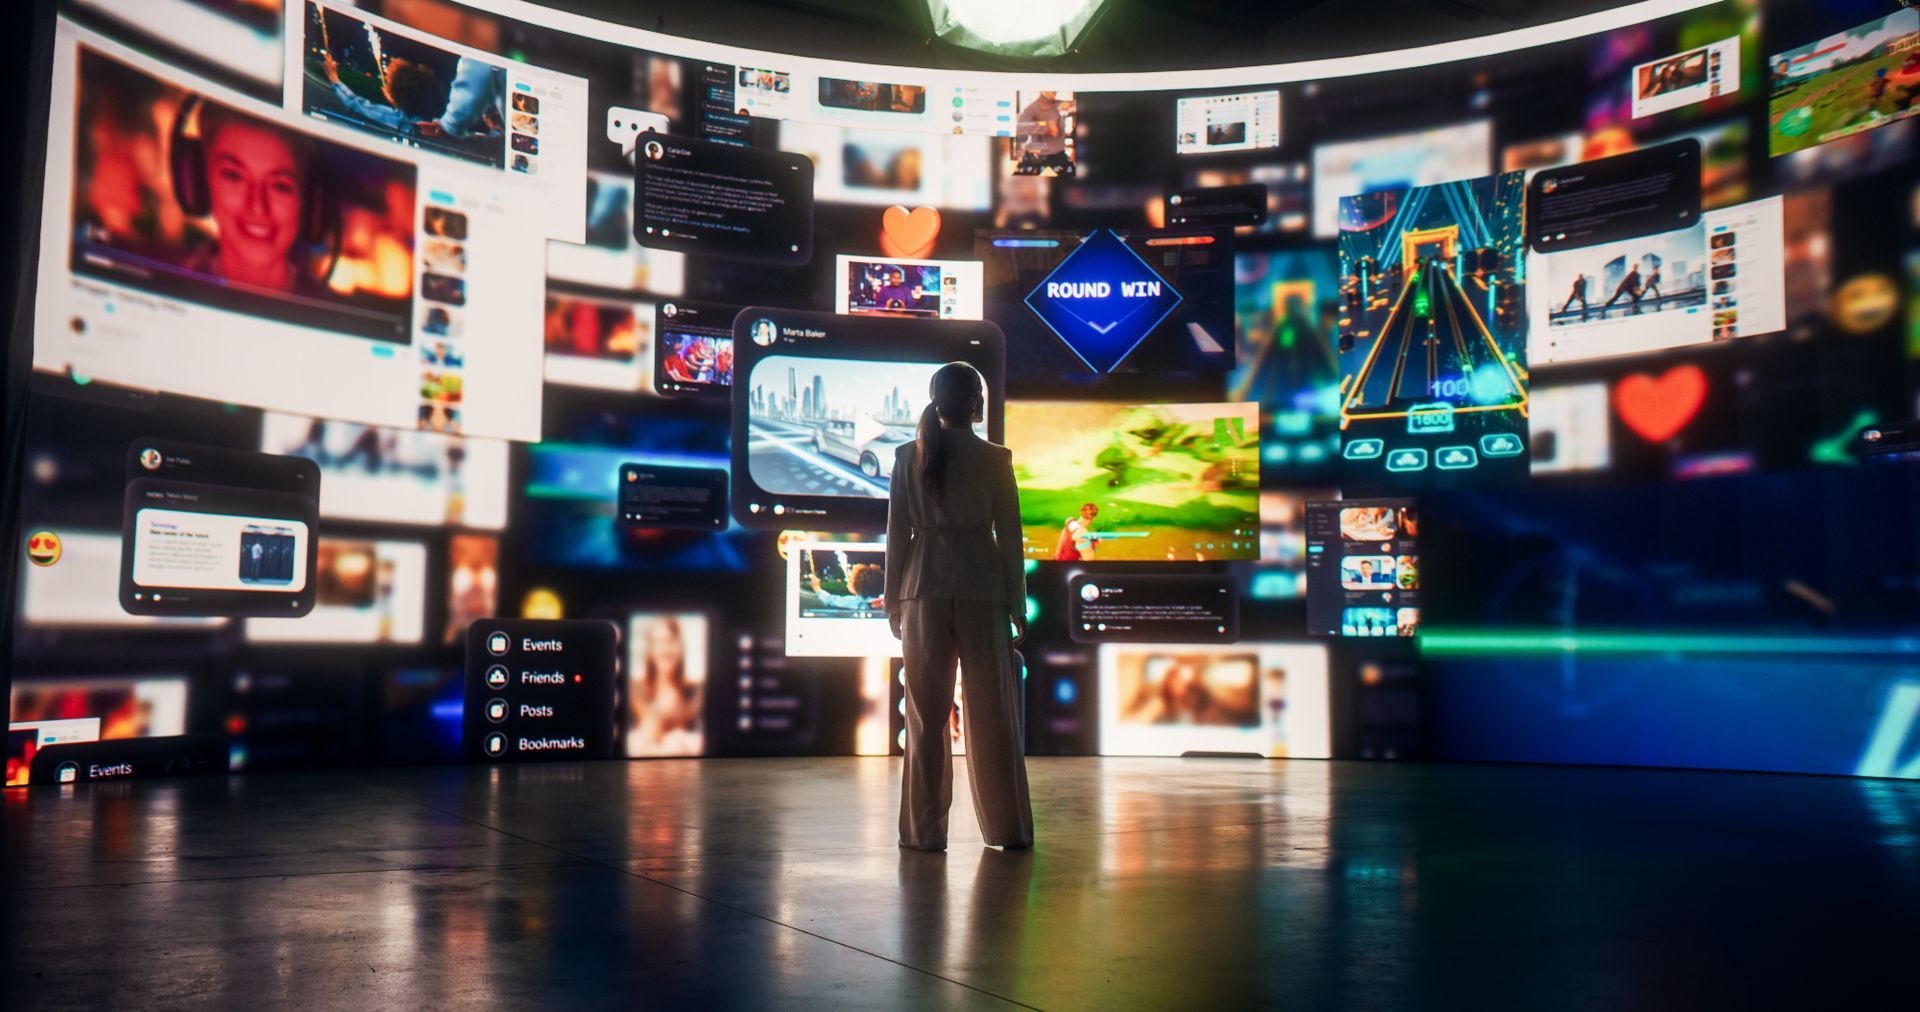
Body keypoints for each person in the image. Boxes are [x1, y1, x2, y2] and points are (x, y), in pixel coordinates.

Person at [885, 363, 1032, 852]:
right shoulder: (996, 458)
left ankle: (923, 834)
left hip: (921, 588)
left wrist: (891, 599)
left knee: (925, 718)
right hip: (983, 588)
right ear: (976, 403)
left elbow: (896, 537)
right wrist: (1019, 601)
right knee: (993, 714)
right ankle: (1007, 831)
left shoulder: (908, 455)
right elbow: (1010, 539)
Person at [180, 105, 323, 295]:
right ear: (201, 180)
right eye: (233, 175)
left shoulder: (341, 315)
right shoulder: (169, 287)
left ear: (308, 200)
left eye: (280, 186)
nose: (257, 207)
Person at [322, 47, 502, 144]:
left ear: (397, 94)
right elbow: (484, 141)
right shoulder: (444, 129)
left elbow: (355, 103)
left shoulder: (396, 120)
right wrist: (495, 127)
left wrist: (333, 77)